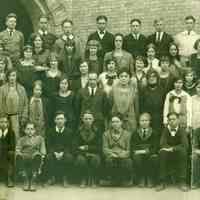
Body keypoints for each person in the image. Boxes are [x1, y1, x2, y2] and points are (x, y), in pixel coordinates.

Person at [156, 112, 189, 192]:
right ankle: (162, 181)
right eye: (169, 119)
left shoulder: (182, 130)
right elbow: (162, 143)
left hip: (178, 152)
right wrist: (167, 149)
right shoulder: (165, 130)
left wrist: (172, 149)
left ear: (178, 120)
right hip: (167, 153)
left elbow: (185, 145)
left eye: (174, 119)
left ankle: (182, 181)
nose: (171, 121)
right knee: (162, 153)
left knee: (183, 152)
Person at [46, 111, 74, 187]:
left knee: (69, 157)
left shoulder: (69, 132)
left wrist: (63, 153)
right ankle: (51, 177)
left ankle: (65, 178)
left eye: (62, 119)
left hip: (64, 152)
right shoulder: (50, 131)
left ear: (65, 120)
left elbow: (70, 146)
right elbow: (48, 145)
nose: (60, 121)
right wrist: (54, 152)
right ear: (55, 120)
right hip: (54, 152)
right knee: (49, 157)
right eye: (58, 119)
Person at [73, 111, 101, 187]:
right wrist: (84, 153)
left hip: (94, 153)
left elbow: (99, 147)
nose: (88, 121)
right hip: (81, 154)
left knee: (96, 159)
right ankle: (83, 178)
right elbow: (75, 146)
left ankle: (92, 178)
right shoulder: (78, 131)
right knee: (80, 160)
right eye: (86, 119)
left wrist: (87, 147)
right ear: (82, 119)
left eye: (89, 119)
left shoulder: (97, 131)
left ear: (93, 120)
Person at [16, 122, 46, 191]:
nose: (30, 131)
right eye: (28, 129)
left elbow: (43, 150)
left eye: (32, 129)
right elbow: (17, 149)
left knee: (38, 156)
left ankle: (33, 180)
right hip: (25, 155)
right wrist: (19, 153)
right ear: (25, 130)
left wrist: (42, 155)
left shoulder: (40, 138)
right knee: (18, 156)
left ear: (35, 130)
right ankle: (25, 179)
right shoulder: (21, 139)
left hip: (35, 155)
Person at [103, 115, 132, 186]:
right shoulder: (106, 134)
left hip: (123, 155)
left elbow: (129, 149)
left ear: (121, 122)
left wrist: (122, 155)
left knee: (128, 162)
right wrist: (112, 154)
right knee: (109, 160)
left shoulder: (127, 134)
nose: (115, 124)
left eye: (117, 121)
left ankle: (124, 179)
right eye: (113, 122)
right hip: (111, 154)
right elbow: (105, 148)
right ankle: (112, 179)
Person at [131, 113, 159, 187]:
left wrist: (146, 151)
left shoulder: (154, 133)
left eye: (146, 120)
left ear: (149, 121)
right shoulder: (135, 133)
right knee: (137, 158)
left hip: (150, 153)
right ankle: (141, 177)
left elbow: (155, 147)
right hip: (138, 153)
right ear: (139, 122)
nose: (144, 122)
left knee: (154, 158)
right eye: (142, 120)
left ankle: (150, 178)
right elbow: (133, 146)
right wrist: (138, 151)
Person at [0, 69, 28, 140]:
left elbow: (25, 104)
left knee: (16, 137)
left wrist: (24, 116)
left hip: (17, 117)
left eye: (13, 75)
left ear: (16, 77)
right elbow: (1, 103)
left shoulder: (21, 89)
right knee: (4, 136)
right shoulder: (2, 89)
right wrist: (3, 117)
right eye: (10, 76)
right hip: (5, 117)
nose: (12, 78)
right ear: (7, 77)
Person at [109, 68, 139, 133]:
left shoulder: (134, 91)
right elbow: (110, 104)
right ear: (118, 78)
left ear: (129, 78)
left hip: (130, 120)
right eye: (121, 76)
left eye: (126, 76)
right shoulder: (113, 90)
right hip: (117, 119)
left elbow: (136, 108)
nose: (123, 78)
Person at [0, 114, 15, 187]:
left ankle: (9, 178)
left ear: (8, 124)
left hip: (6, 154)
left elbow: (12, 146)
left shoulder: (11, 133)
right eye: (1, 122)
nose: (3, 124)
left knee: (11, 153)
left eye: (5, 122)